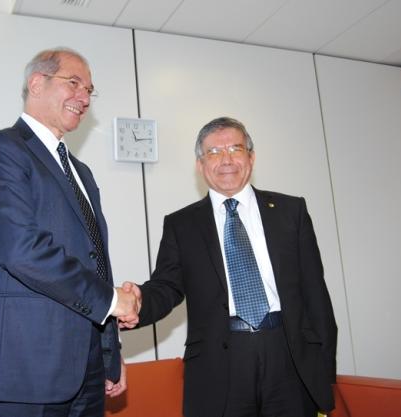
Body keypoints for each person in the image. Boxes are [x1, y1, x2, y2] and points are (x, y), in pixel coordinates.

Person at [0, 48, 139, 417]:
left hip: (87, 373)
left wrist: (110, 353)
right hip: (22, 370)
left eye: (90, 90)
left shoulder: (82, 173)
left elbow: (95, 263)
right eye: (74, 83)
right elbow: (21, 249)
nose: (85, 97)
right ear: (36, 83)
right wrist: (111, 300)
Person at [122, 117, 337, 417]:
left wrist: (324, 373)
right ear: (200, 164)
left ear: (251, 156)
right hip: (219, 363)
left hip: (288, 357)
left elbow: (316, 295)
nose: (226, 159)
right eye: (213, 152)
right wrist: (139, 302)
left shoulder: (291, 211)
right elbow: (167, 286)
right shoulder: (181, 225)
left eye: (235, 148)